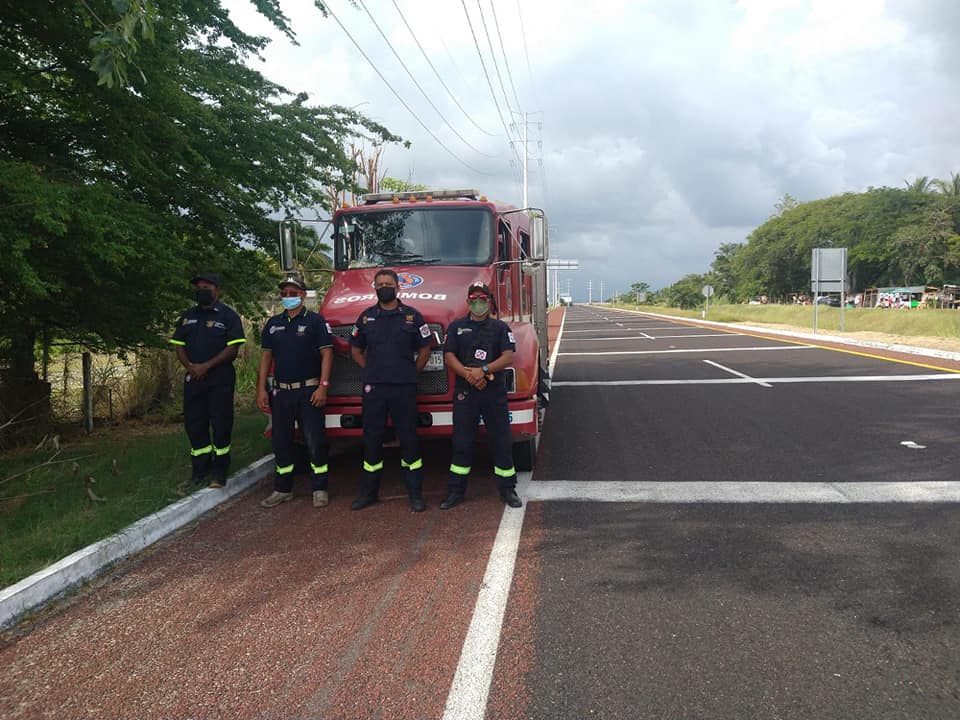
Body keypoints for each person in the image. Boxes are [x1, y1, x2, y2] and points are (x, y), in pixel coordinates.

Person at [349, 269, 433, 512]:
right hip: (374, 388)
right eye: (380, 284)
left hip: (403, 388)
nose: (384, 287)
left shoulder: (412, 317)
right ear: (375, 288)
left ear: (398, 288)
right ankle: (368, 493)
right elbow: (355, 350)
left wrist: (410, 372)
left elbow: (425, 349)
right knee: (372, 440)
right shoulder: (365, 318)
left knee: (409, 440)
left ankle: (416, 495)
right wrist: (371, 370)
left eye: (388, 284)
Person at [440, 282, 522, 509]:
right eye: (474, 299)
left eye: (483, 299)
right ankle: (456, 491)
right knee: (462, 442)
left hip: (492, 393)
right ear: (467, 302)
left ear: (489, 301)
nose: (478, 303)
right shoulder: (456, 327)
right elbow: (449, 356)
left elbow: (507, 357)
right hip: (466, 392)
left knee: (501, 441)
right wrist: (469, 375)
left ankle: (507, 490)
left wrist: (484, 371)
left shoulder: (500, 328)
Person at [256, 278, 334, 508]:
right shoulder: (272, 324)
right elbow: (265, 358)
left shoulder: (315, 322)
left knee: (314, 441)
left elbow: (327, 354)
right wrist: (261, 389)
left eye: (293, 291)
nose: (288, 295)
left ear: (302, 295)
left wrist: (323, 386)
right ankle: (283, 489)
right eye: (284, 292)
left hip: (309, 391)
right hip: (281, 392)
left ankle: (319, 489)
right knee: (281, 442)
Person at [170, 272, 246, 488]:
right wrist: (190, 367)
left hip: (219, 377)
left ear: (216, 290)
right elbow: (178, 344)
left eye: (206, 287)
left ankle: (219, 470)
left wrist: (206, 366)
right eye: (199, 287)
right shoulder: (187, 316)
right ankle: (199, 470)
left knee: (221, 424)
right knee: (195, 424)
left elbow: (232, 349)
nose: (201, 290)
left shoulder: (228, 316)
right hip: (193, 378)